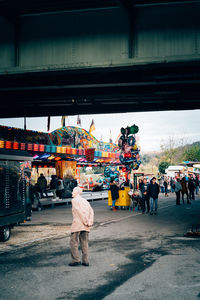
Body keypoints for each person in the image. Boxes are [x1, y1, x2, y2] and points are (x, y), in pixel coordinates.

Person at [69, 187, 94, 267]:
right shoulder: (85, 201)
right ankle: (85, 260)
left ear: (77, 192)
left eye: (73, 191)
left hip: (78, 224)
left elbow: (78, 212)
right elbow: (91, 212)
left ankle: (76, 259)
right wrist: (89, 222)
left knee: (73, 242)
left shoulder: (74, 200)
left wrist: (85, 221)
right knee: (84, 242)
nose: (72, 193)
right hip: (86, 225)